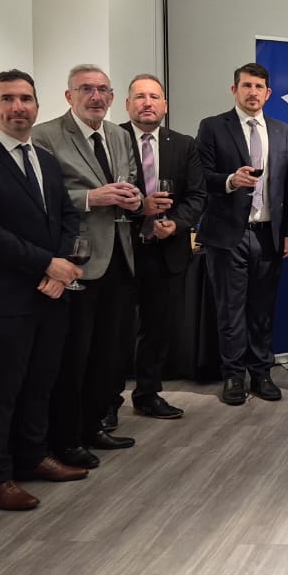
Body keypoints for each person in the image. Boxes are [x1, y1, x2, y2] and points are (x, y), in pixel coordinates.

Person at [0, 69, 87, 510]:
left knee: (40, 385)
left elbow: (67, 217)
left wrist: (61, 269)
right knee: (2, 392)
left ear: (38, 106)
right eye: (7, 99)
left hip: (52, 295)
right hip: (6, 299)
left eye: (26, 98)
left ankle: (32, 456)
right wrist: (47, 263)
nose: (18, 107)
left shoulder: (44, 158)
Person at [32, 64, 142, 468]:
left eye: (102, 90)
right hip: (77, 261)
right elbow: (43, 196)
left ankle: (94, 425)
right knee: (73, 357)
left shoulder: (118, 134)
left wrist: (134, 198)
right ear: (69, 96)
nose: (96, 97)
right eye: (86, 90)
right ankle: (66, 437)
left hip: (119, 258)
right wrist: (92, 198)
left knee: (107, 354)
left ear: (112, 97)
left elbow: (129, 179)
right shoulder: (45, 135)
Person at [195, 62, 288, 406]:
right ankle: (233, 376)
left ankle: (261, 373)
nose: (252, 92)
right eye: (246, 86)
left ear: (268, 93)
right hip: (228, 234)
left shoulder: (284, 131)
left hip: (269, 233)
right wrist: (229, 180)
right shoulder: (212, 127)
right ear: (234, 90)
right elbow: (199, 177)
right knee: (230, 310)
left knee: (262, 310)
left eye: (259, 87)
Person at [120, 74, 207, 419]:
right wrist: (138, 209)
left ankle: (147, 394)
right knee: (114, 330)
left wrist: (177, 224)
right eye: (140, 96)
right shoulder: (112, 139)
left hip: (166, 250)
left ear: (165, 105)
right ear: (127, 104)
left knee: (158, 328)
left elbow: (197, 195)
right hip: (122, 250)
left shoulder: (183, 144)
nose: (147, 103)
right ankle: (107, 402)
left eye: (154, 97)